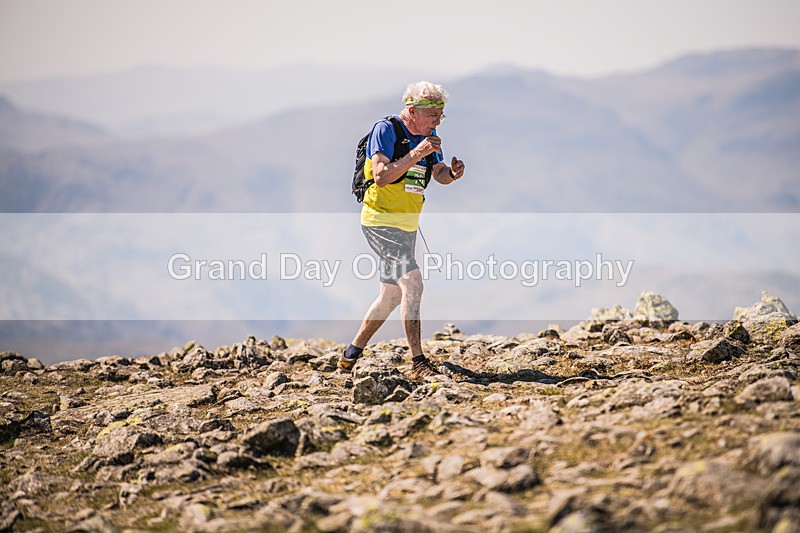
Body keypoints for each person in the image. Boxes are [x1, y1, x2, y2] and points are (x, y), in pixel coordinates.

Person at [339, 81, 466, 380]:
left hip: (407, 225)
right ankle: (418, 361)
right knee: (414, 282)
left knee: (391, 296)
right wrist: (417, 153)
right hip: (380, 221)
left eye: (441, 116)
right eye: (433, 115)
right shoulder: (386, 130)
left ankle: (351, 354)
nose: (437, 122)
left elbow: (438, 174)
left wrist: (453, 174)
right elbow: (382, 176)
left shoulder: (430, 137)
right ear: (412, 111)